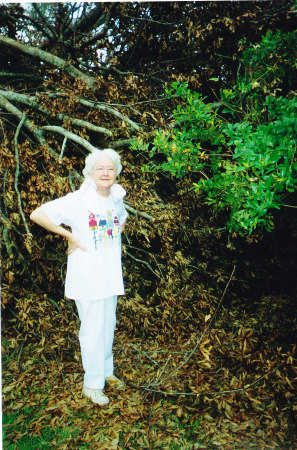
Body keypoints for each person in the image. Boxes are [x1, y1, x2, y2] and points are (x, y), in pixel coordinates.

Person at [30, 148, 128, 405]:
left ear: (116, 173)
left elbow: (122, 221)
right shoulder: (79, 199)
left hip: (109, 274)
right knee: (92, 330)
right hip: (88, 276)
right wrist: (71, 236)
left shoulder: (116, 198)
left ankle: (107, 372)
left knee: (107, 326)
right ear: (90, 172)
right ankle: (92, 384)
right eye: (100, 169)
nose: (105, 173)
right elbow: (38, 214)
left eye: (110, 169)